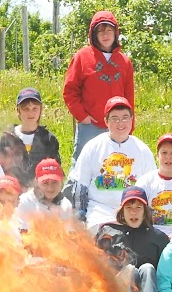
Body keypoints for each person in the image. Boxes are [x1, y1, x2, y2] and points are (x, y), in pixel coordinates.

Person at [64, 96, 156, 230]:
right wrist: (80, 217)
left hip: (133, 212)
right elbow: (80, 187)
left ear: (131, 120)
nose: (121, 123)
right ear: (106, 121)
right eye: (115, 119)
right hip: (100, 211)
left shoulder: (142, 149)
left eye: (125, 118)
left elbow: (151, 188)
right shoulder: (93, 146)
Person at [96, 187, 169, 292]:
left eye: (138, 208)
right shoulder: (108, 233)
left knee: (148, 268)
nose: (133, 213)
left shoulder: (158, 238)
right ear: (122, 211)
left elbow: (164, 274)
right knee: (129, 270)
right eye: (129, 208)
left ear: (145, 211)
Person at [63, 11, 135, 164]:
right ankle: (74, 190)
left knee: (115, 165)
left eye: (109, 30)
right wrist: (82, 116)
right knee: (81, 163)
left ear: (116, 33)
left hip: (118, 124)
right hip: (90, 125)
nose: (105, 35)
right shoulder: (82, 57)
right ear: (93, 34)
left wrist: (129, 124)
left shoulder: (125, 62)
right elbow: (70, 91)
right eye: (100, 30)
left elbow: (129, 97)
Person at [11, 87, 61, 173]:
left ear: (41, 110)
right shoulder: (8, 137)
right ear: (18, 111)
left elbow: (56, 170)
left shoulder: (48, 139)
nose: (30, 113)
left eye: (35, 108)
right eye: (25, 109)